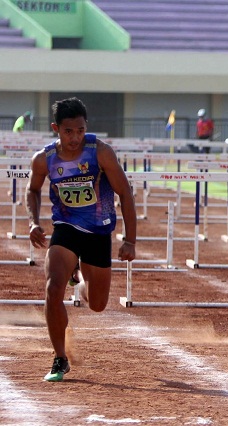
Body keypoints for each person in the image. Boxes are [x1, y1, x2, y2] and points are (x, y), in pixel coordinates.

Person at [25, 97, 137, 382]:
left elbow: (125, 193)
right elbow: (33, 189)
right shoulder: (45, 158)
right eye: (68, 131)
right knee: (52, 290)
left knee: (97, 304)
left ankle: (80, 276)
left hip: (98, 232)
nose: (75, 137)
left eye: (80, 130)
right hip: (66, 228)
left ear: (86, 127)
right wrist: (33, 222)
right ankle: (60, 358)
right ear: (56, 129)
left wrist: (130, 240)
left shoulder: (101, 153)